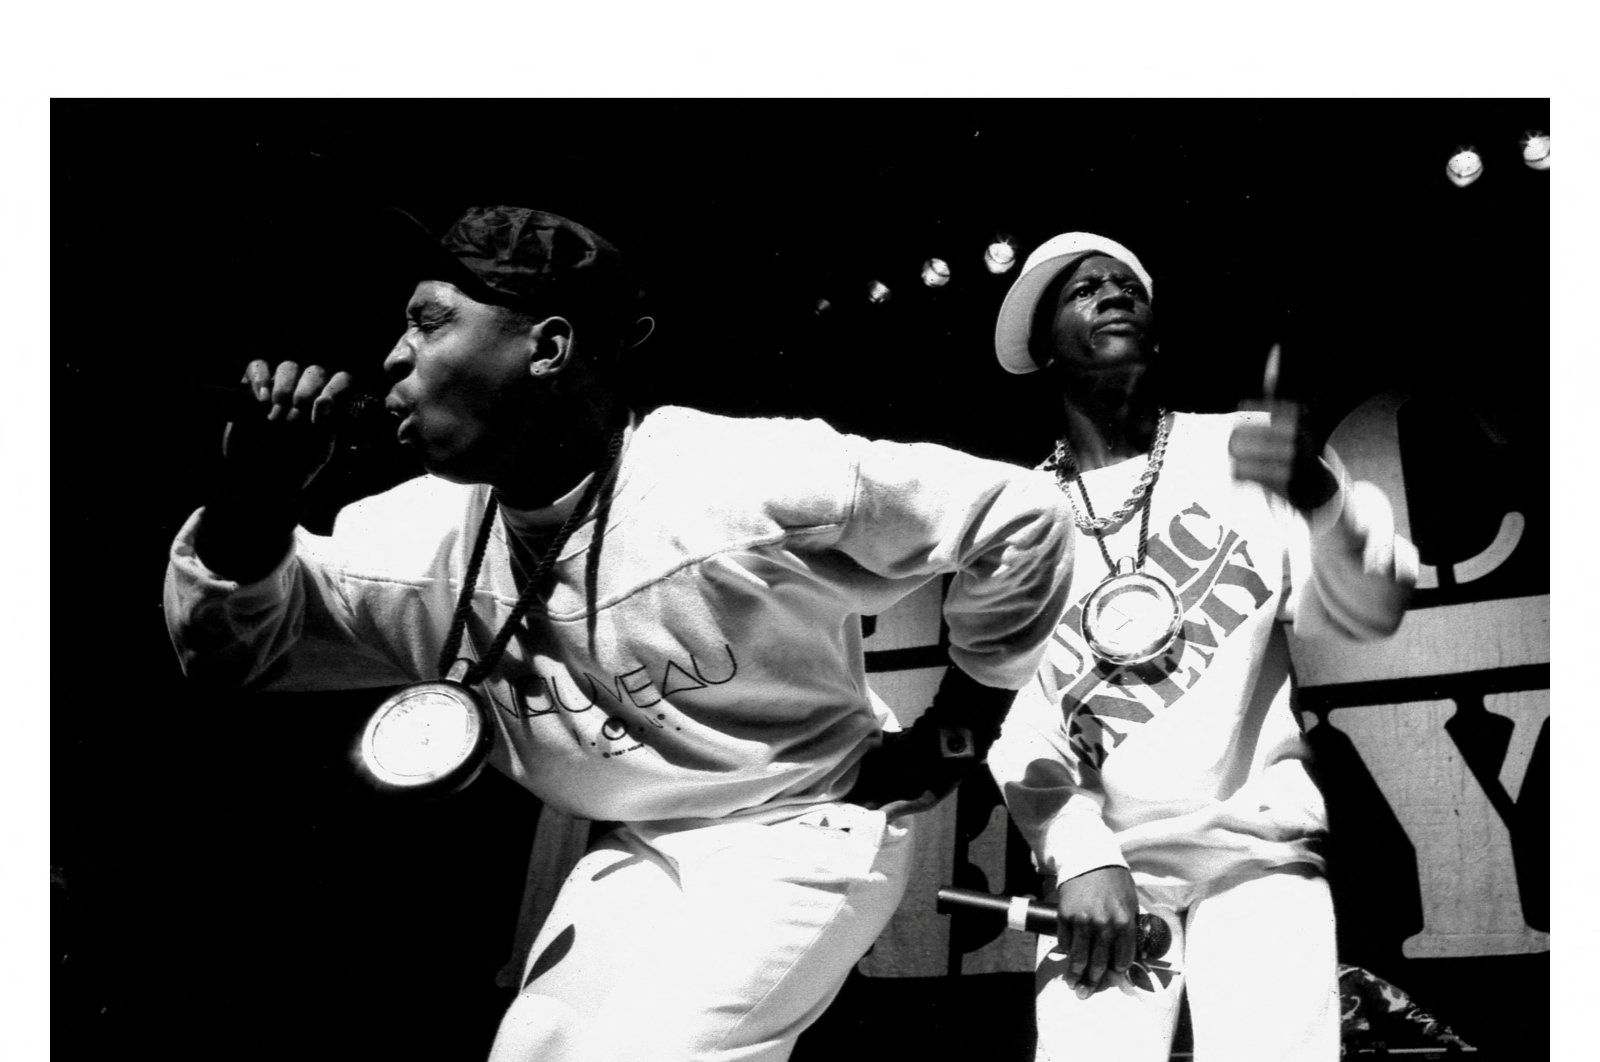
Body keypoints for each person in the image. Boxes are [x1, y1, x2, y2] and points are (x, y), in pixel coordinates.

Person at [163, 205, 1079, 1062]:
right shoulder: (418, 535)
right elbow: (237, 651)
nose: (394, 357)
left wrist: (968, 715)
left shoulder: (734, 478)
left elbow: (1022, 514)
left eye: (430, 322)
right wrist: (254, 502)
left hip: (795, 830)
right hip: (629, 845)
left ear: (549, 347)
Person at [983, 232, 1418, 1062]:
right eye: (1084, 291)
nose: (1114, 294)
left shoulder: (1247, 449)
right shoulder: (1015, 514)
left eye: (1128, 287)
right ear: (1043, 350)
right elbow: (1018, 719)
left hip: (1258, 852)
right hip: (1106, 871)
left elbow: (1369, 610)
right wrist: (1077, 854)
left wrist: (1321, 496)